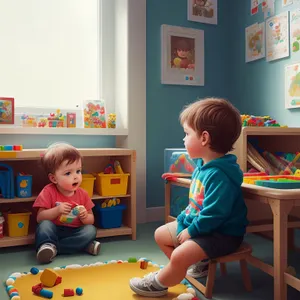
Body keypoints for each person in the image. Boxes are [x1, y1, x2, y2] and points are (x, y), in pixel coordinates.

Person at [129, 98, 248, 297]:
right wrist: (185, 221)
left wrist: (191, 231)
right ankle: (187, 267)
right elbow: (196, 203)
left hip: (222, 234)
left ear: (204, 138)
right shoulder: (203, 167)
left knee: (180, 254)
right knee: (161, 234)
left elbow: (214, 215)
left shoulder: (220, 175)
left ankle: (160, 283)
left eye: (187, 133)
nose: (184, 139)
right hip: (203, 227)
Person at [33, 142, 100, 264]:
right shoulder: (48, 191)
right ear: (54, 178)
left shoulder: (83, 194)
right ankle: (79, 246)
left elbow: (91, 220)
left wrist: (85, 216)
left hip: (75, 231)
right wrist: (57, 210)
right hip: (54, 230)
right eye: (68, 173)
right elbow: (40, 218)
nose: (76, 177)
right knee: (44, 226)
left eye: (78, 171)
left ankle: (54, 248)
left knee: (90, 230)